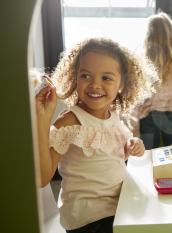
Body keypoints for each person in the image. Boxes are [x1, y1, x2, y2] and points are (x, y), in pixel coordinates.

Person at [35, 38, 156, 233]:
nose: (95, 85)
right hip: (89, 219)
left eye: (106, 78)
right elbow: (41, 178)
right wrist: (42, 120)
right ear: (75, 77)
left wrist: (134, 144)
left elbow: (113, 153)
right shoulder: (71, 121)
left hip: (116, 205)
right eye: (85, 76)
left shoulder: (114, 116)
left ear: (122, 83)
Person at [136, 12, 172, 150]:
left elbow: (139, 94)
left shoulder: (143, 63)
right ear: (171, 37)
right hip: (170, 114)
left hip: (149, 115)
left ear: (149, 37)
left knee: (148, 154)